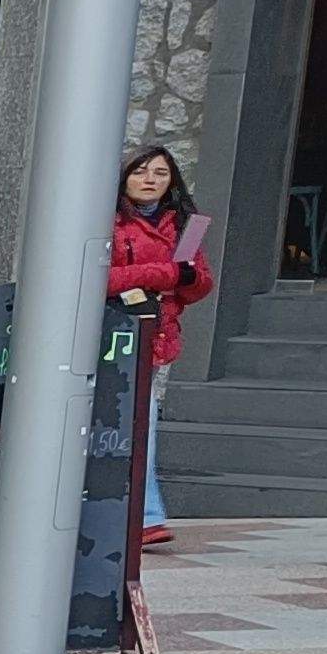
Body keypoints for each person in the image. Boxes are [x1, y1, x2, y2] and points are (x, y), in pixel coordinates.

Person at [110, 144, 212, 549]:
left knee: (141, 422)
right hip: (111, 333)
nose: (150, 179)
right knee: (136, 422)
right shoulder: (108, 221)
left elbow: (199, 284)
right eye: (140, 171)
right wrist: (167, 272)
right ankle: (145, 515)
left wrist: (183, 280)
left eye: (159, 173)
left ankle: (146, 517)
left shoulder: (184, 224)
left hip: (153, 336)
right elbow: (99, 276)